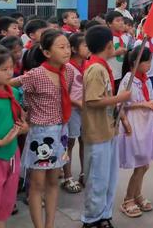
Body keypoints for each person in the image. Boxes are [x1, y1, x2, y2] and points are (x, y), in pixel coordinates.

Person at [11, 29, 74, 228]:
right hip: (41, 134)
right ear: (46, 53)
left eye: (69, 47)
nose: (67, 51)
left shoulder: (69, 71)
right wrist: (23, 114)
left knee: (54, 182)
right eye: (61, 47)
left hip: (61, 132)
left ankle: (50, 225)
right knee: (37, 185)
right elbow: (9, 87)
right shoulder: (36, 74)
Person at [81, 25, 132, 227]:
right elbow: (93, 101)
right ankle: (91, 218)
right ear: (110, 45)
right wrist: (121, 97)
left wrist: (122, 116)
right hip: (97, 131)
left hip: (109, 129)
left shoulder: (102, 66)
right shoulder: (95, 69)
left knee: (110, 178)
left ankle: (104, 215)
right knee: (97, 178)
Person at [118, 46, 153, 218]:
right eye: (147, 61)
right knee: (140, 163)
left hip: (147, 123)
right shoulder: (128, 80)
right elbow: (121, 104)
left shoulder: (146, 79)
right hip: (134, 123)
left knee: (144, 163)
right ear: (136, 62)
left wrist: (152, 102)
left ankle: (136, 194)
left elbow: (146, 98)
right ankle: (128, 198)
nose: (150, 65)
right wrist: (143, 104)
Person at [0, 45, 28, 227]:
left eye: (11, 68)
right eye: (3, 69)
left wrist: (23, 127)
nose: (9, 73)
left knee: (6, 203)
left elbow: (22, 120)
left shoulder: (12, 93)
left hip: (12, 154)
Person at [62, 33, 90, 194]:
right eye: (85, 46)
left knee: (85, 140)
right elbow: (64, 93)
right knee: (69, 143)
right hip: (72, 110)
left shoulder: (87, 64)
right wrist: (78, 103)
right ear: (74, 49)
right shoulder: (67, 68)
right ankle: (67, 176)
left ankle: (84, 172)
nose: (88, 49)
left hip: (85, 110)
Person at [106, 10, 130, 92]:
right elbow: (99, 56)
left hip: (122, 74)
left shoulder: (125, 37)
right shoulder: (106, 38)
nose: (121, 23)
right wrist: (116, 53)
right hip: (110, 75)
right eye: (117, 21)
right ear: (109, 24)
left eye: (122, 20)